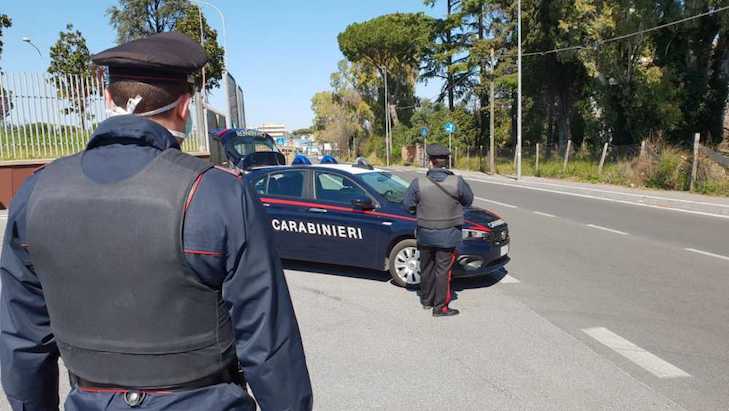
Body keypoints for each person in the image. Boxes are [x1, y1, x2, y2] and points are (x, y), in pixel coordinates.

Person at [0, 32, 312, 410]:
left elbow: (22, 342)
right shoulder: (216, 194)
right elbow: (269, 344)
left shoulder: (34, 194)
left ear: (106, 99)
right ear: (184, 106)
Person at [403, 144, 474, 317]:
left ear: (430, 161)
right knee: (443, 270)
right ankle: (440, 307)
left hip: (425, 233)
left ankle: (427, 301)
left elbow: (407, 205)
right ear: (446, 161)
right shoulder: (457, 182)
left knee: (426, 267)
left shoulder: (418, 183)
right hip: (448, 235)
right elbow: (468, 201)